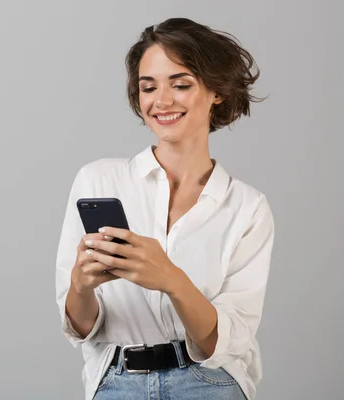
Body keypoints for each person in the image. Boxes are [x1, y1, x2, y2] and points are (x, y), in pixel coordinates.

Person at [55, 17, 275, 400]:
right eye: (148, 87)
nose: (162, 101)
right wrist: (80, 285)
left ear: (217, 91)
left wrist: (170, 279)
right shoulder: (97, 180)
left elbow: (222, 343)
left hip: (208, 382)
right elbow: (82, 327)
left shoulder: (247, 207)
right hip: (116, 382)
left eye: (181, 84)